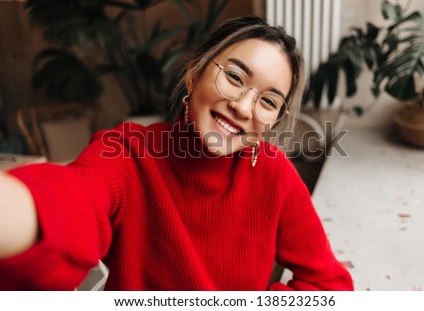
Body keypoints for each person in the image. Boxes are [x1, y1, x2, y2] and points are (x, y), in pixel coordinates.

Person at [0, 16, 353, 290]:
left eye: (268, 101)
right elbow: (68, 202)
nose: (244, 107)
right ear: (193, 74)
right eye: (234, 77)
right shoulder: (128, 153)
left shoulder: (275, 176)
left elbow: (328, 284)